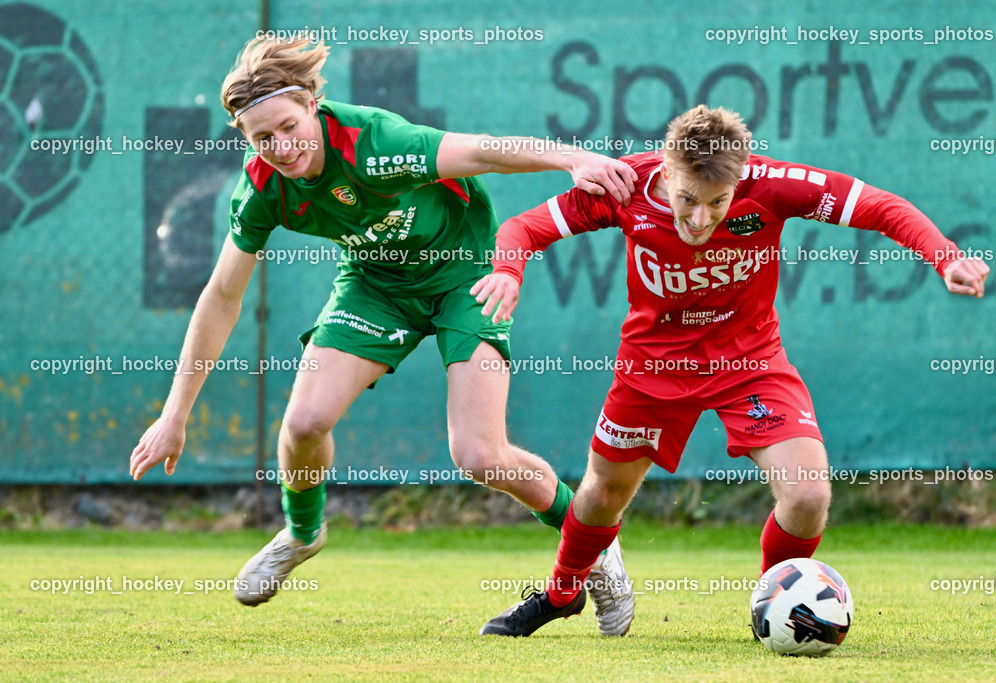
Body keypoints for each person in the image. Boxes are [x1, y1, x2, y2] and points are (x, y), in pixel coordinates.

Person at [127, 37, 639, 636]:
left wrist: (571, 160)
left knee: (479, 455)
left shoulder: (379, 145)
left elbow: (486, 152)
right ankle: (301, 531)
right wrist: (174, 416)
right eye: (262, 138)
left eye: (289, 126)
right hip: (375, 285)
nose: (280, 147)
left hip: (464, 273)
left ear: (314, 104)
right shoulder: (265, 186)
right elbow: (221, 297)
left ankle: (596, 550)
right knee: (302, 424)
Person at [473, 104, 990, 636]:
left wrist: (943, 256)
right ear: (667, 172)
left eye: (717, 203)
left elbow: (878, 206)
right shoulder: (625, 185)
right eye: (687, 200)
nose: (699, 220)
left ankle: (776, 607)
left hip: (751, 362)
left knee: (809, 494)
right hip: (653, 364)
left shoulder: (773, 184)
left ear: (739, 177)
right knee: (602, 493)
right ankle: (563, 594)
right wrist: (509, 271)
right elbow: (523, 227)